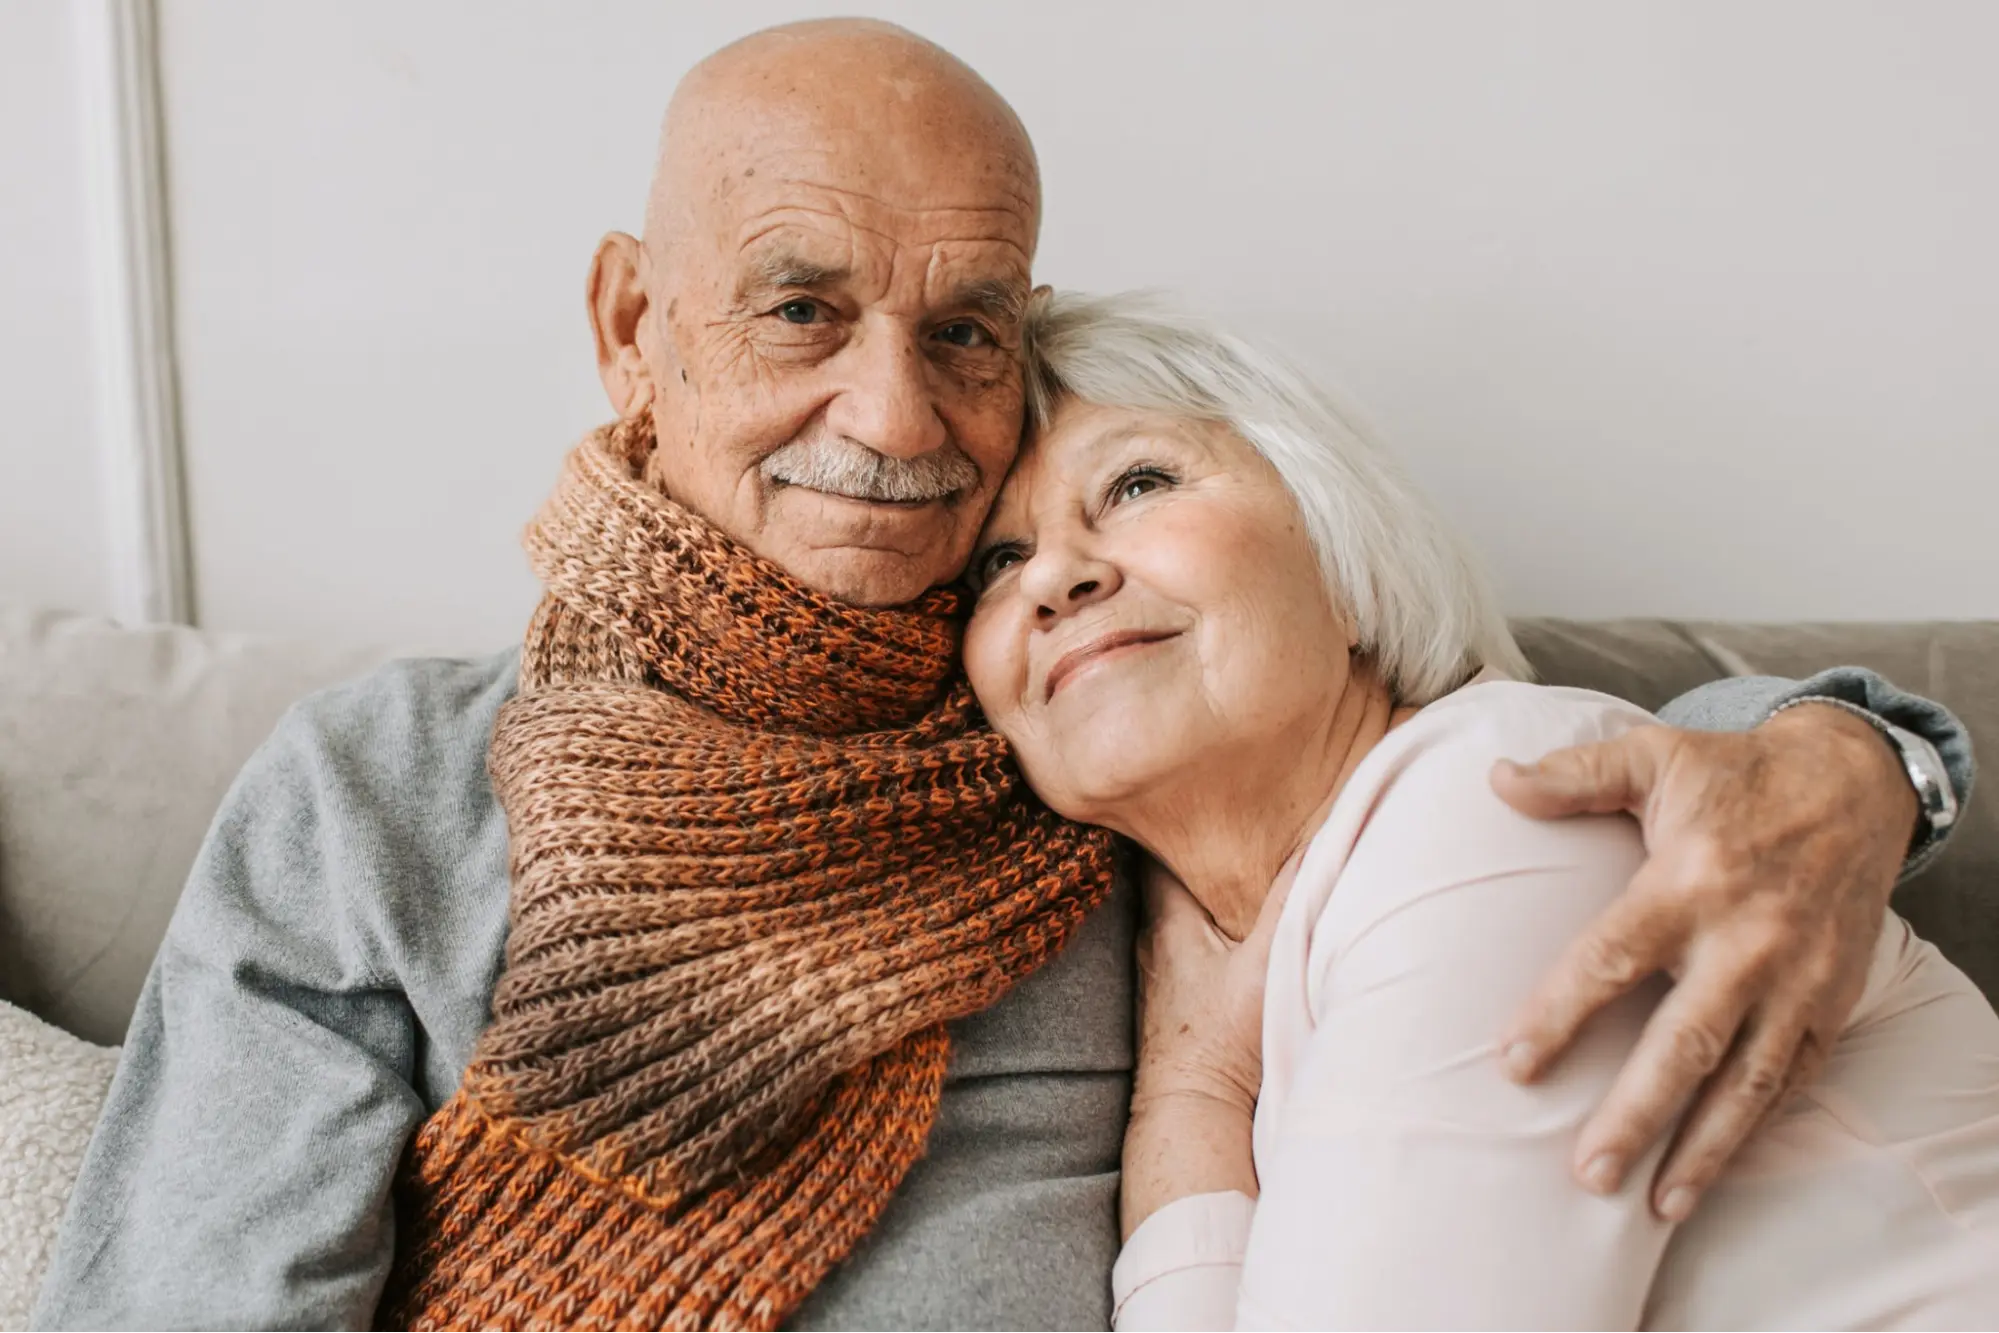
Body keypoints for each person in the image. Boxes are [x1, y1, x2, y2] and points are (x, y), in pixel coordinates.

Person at [32, 21, 1974, 1333]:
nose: (894, 415)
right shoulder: (376, 789)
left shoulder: (1083, 733)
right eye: (803, 310)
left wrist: (1840, 755)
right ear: (636, 323)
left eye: (966, 332)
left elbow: (1489, 764)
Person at [960, 289, 1997, 1331]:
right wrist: (1193, 1090)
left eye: (1139, 482)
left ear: (1345, 562)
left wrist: (1188, 1103)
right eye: (998, 563)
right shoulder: (1255, 961)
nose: (1052, 575)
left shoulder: (1504, 795)